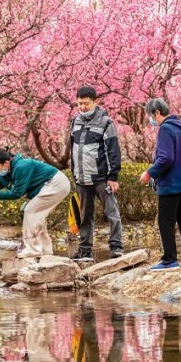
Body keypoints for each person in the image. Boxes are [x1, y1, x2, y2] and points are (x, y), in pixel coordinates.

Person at [139, 98, 181, 271]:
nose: (150, 119)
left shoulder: (166, 129)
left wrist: (149, 173)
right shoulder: (180, 127)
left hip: (171, 183)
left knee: (165, 221)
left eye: (150, 115)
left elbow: (166, 158)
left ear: (157, 113)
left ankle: (169, 260)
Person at [69, 86, 124, 262]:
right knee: (85, 216)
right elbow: (73, 150)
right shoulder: (75, 122)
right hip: (82, 178)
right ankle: (85, 250)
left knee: (112, 213)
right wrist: (74, 173)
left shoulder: (105, 122)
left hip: (101, 178)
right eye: (79, 104)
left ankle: (116, 247)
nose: (82, 107)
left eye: (86, 103)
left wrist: (113, 176)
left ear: (95, 102)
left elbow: (113, 150)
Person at [0, 149, 71, 259]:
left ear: (6, 163)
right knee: (37, 216)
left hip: (56, 184)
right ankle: (45, 250)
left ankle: (33, 250)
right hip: (49, 185)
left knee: (30, 211)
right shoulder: (5, 173)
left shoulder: (21, 166)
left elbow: (17, 193)